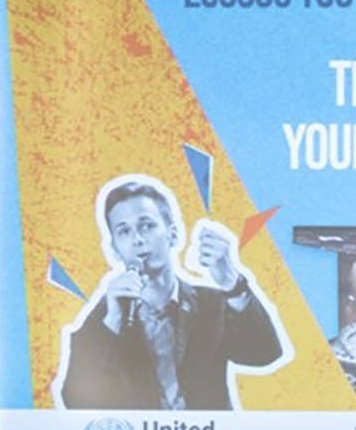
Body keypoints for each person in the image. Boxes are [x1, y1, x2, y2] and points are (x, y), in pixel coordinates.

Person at [56, 175, 284, 410]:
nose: (138, 239)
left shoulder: (211, 303)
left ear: (173, 234)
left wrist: (232, 283)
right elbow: (75, 399)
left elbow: (265, 354)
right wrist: (112, 322)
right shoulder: (104, 317)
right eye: (124, 231)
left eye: (147, 225)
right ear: (114, 250)